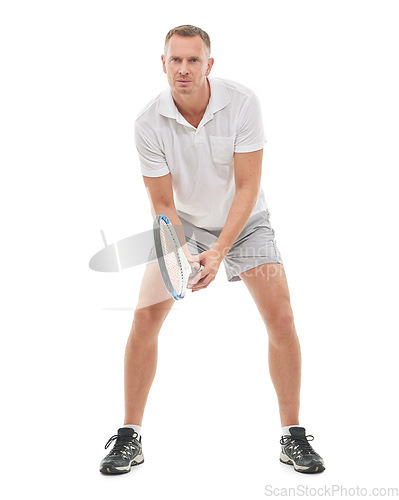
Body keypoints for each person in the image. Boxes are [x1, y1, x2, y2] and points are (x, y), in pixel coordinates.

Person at [99, 25, 325, 475]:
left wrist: (221, 251)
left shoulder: (242, 102)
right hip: (184, 226)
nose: (184, 69)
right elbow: (163, 203)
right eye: (176, 60)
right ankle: (129, 435)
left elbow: (248, 187)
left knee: (281, 316)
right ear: (163, 63)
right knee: (145, 316)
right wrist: (181, 252)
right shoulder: (148, 122)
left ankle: (292, 435)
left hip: (246, 224)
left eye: (193, 60)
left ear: (209, 65)